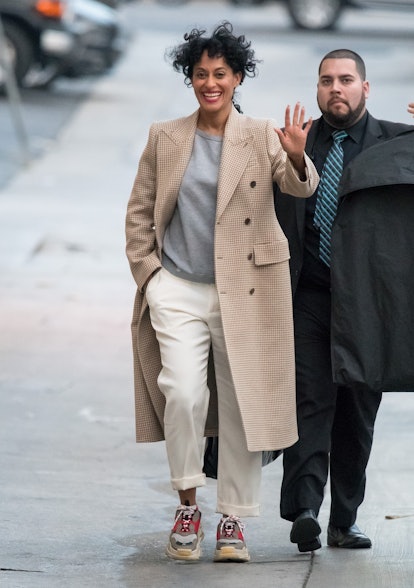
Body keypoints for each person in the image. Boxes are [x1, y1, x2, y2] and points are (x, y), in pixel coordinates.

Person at [125, 21, 318, 563]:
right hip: (179, 288)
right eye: (201, 74)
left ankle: (232, 521)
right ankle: (188, 503)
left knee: (242, 405)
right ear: (190, 79)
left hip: (250, 287)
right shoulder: (166, 136)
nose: (210, 83)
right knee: (182, 392)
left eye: (221, 74)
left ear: (237, 78)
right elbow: (140, 213)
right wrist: (151, 275)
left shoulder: (259, 135)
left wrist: (299, 154)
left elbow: (298, 186)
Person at [274, 49, 414, 553]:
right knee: (309, 400)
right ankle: (306, 510)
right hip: (309, 293)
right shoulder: (294, 141)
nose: (337, 88)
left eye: (347, 79)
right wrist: (288, 157)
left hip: (368, 303)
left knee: (357, 411)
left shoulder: (397, 142)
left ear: (366, 88)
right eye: (327, 80)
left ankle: (344, 520)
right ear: (317, 89)